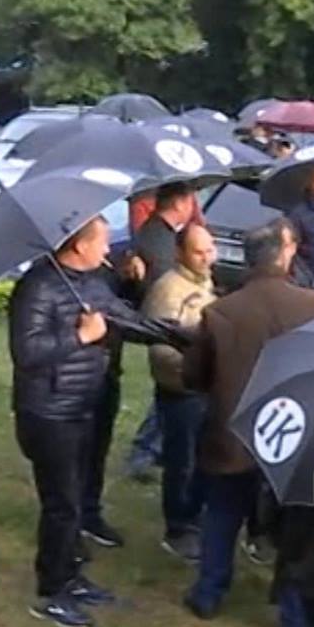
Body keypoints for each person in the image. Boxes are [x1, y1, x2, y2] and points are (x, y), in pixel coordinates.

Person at [183, 219, 314, 627]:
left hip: (234, 435)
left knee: (223, 514)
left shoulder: (219, 313)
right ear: (284, 256)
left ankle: (209, 591)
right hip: (296, 436)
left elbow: (193, 376)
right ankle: (295, 615)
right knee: (295, 527)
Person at [9, 217, 141, 627]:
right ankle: (52, 591)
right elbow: (27, 353)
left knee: (77, 497)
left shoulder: (91, 281)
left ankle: (71, 575)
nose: (109, 248)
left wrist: (190, 335)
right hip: (49, 412)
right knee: (62, 505)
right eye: (102, 241)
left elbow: (125, 318)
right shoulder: (38, 287)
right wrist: (81, 338)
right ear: (80, 246)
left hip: (85, 403)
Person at [142, 224, 218, 563]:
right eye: (198, 252)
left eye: (209, 250)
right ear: (180, 254)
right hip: (181, 391)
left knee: (201, 459)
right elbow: (160, 348)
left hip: (205, 389)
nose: (206, 258)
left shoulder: (204, 283)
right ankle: (178, 528)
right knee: (181, 462)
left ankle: (194, 518)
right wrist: (197, 360)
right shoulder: (168, 291)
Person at [120, 182, 201, 480]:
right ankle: (143, 453)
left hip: (162, 320)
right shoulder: (160, 239)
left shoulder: (159, 234)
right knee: (171, 390)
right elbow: (164, 284)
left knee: (168, 393)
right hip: (165, 321)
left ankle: (153, 450)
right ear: (180, 204)